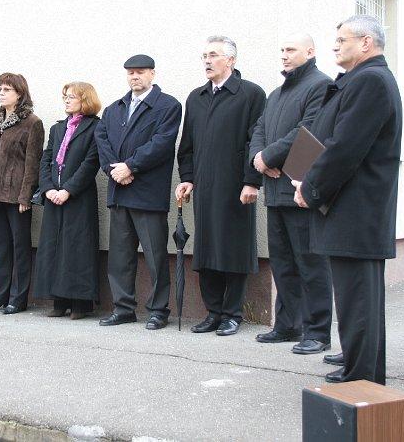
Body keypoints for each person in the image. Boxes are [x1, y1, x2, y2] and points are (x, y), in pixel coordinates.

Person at [292, 15, 402, 385]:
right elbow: (324, 134)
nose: (335, 46)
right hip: (350, 209)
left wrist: (310, 188)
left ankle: (362, 377)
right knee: (355, 298)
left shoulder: (370, 80)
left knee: (359, 299)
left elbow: (344, 148)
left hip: (357, 210)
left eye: (342, 40)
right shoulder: (358, 79)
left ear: (366, 42)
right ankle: (358, 364)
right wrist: (302, 174)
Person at [249, 34, 334, 354]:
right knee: (283, 263)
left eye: (291, 50)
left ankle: (317, 332)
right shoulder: (276, 93)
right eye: (281, 49)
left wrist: (269, 157)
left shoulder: (320, 85)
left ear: (310, 52)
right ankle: (287, 325)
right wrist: (258, 158)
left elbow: (309, 130)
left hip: (300, 190)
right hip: (275, 191)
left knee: (311, 264)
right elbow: (259, 130)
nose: (284, 55)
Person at [175, 36, 266, 336]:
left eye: (213, 55)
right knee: (206, 250)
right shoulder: (196, 97)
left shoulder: (251, 94)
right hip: (204, 187)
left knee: (233, 249)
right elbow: (187, 145)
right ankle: (213, 312)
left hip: (236, 187)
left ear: (231, 60)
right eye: (204, 55)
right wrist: (187, 178)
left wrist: (252, 181)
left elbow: (256, 141)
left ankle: (232, 314)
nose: (207, 60)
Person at [94, 54, 182, 330]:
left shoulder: (168, 106)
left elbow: (162, 143)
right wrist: (115, 171)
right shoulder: (114, 109)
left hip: (148, 194)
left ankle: (158, 310)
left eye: (140, 72)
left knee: (155, 256)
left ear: (152, 74)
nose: (135, 76)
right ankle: (123, 308)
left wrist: (130, 166)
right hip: (119, 193)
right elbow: (102, 141)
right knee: (120, 257)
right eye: (130, 72)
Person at [0, 72, 44, 315]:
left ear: (19, 93)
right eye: (0, 89)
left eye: (7, 89)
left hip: (16, 197)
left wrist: (26, 196)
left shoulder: (32, 123)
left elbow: (33, 163)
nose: (2, 93)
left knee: (20, 248)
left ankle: (18, 298)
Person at [33, 82, 102, 320]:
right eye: (65, 97)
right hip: (54, 196)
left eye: (72, 96)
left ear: (85, 100)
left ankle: (80, 304)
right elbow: (46, 160)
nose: (67, 100)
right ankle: (59, 301)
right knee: (54, 248)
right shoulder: (58, 128)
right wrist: (48, 188)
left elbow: (91, 163)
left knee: (77, 249)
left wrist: (69, 190)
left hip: (79, 197)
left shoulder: (95, 127)